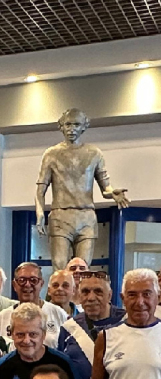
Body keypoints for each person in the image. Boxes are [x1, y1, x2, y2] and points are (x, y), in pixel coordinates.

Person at [36, 107, 129, 270]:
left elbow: (105, 187)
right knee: (59, 267)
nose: (72, 129)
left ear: (84, 127)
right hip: (61, 215)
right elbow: (40, 190)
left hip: (86, 216)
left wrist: (112, 193)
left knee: (83, 269)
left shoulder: (94, 153)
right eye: (68, 124)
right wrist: (39, 213)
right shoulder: (51, 154)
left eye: (76, 125)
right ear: (61, 126)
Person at [89, 268, 161, 379]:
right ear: (123, 299)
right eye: (132, 295)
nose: (140, 302)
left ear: (158, 297)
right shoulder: (106, 337)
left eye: (147, 294)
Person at [57, 271, 124, 379]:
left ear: (109, 295)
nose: (91, 298)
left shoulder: (126, 322)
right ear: (79, 296)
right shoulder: (69, 328)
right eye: (85, 292)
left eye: (98, 291)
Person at [0, 262, 68, 348]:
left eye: (33, 280)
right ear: (14, 285)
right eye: (22, 280)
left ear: (41, 284)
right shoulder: (2, 318)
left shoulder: (58, 314)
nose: (27, 284)